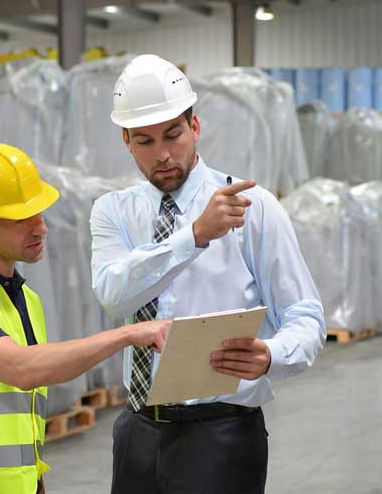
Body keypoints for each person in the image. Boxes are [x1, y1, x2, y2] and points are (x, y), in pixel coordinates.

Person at [90, 54, 326, 494]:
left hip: (223, 436)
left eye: (173, 135)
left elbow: (306, 315)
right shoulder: (114, 212)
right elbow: (113, 294)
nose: (162, 154)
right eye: (144, 141)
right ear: (126, 140)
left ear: (195, 127)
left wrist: (272, 354)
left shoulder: (253, 208)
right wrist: (193, 236)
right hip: (137, 433)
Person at [0, 141, 169, 494]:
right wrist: (125, 335)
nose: (40, 228)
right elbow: (22, 369)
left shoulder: (24, 298)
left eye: (39, 213)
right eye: (20, 218)